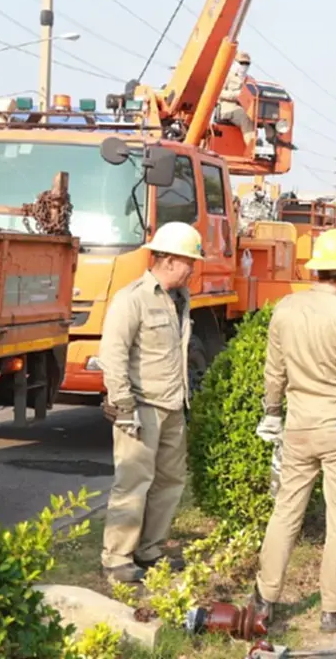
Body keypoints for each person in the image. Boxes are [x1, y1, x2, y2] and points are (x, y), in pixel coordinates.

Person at [250, 228, 336, 634]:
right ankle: (332, 610)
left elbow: (273, 371)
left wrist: (272, 412)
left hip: (298, 425)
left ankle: (265, 599)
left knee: (286, 511)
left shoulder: (286, 308)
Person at [99, 221, 203, 583]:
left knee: (170, 481)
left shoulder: (180, 298)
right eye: (190, 261)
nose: (193, 268)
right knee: (132, 482)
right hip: (141, 408)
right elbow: (113, 354)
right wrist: (123, 406)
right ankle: (117, 558)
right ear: (170, 260)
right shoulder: (133, 299)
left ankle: (149, 550)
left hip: (173, 406)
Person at [218, 51, 256, 149]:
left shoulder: (250, 80)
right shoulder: (227, 76)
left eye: (247, 63)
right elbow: (218, 93)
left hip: (246, 108)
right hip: (229, 109)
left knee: (264, 117)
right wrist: (236, 95)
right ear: (235, 62)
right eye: (242, 63)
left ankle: (274, 142)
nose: (244, 66)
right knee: (245, 117)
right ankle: (252, 147)